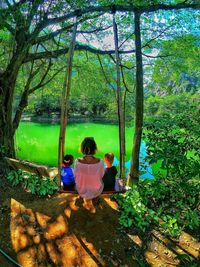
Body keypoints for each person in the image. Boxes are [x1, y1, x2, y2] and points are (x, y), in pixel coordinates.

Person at [74, 137, 104, 212]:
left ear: (82, 148)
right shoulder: (100, 162)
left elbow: (75, 176)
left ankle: (84, 197)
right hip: (96, 190)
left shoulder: (77, 162)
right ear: (94, 148)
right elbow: (102, 175)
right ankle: (91, 198)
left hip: (81, 189)